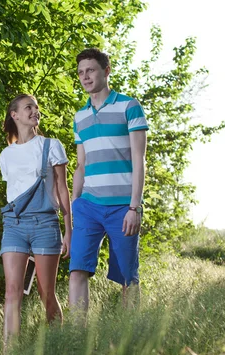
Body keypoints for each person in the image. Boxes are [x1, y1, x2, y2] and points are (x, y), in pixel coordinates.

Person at [68, 48, 148, 316]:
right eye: (80, 72)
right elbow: (81, 165)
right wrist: (74, 203)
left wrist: (134, 207)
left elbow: (139, 160)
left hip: (122, 207)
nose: (85, 76)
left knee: (127, 277)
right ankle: (76, 341)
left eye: (90, 70)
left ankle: (130, 337)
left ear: (106, 70)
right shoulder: (80, 117)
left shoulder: (129, 106)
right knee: (77, 270)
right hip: (87, 206)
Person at [0, 94, 72, 348]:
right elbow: (15, 193)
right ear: (15, 115)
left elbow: (63, 190)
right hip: (14, 226)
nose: (35, 111)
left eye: (37, 108)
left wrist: (68, 230)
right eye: (28, 107)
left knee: (46, 293)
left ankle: (56, 346)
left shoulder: (51, 146)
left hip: (45, 225)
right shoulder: (5, 155)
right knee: (12, 291)